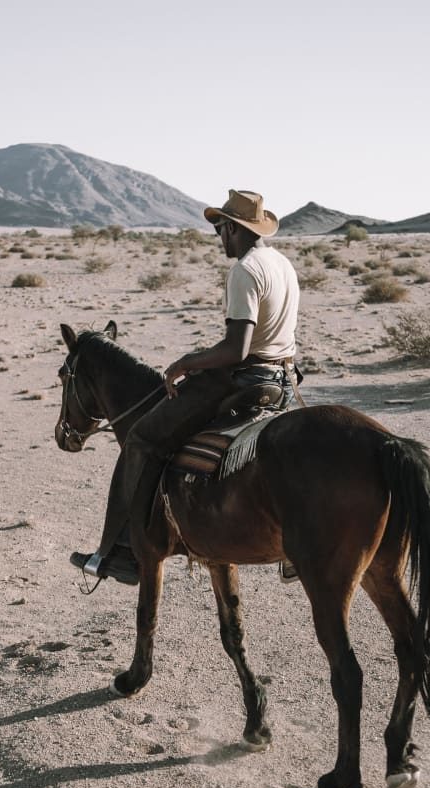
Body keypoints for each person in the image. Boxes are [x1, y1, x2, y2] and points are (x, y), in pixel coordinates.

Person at [70, 189, 301, 585]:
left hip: (245, 379)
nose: (218, 236)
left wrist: (186, 363)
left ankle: (126, 554)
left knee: (142, 438)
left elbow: (237, 348)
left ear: (232, 228)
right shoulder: (282, 264)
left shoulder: (245, 269)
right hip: (283, 378)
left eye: (219, 228)